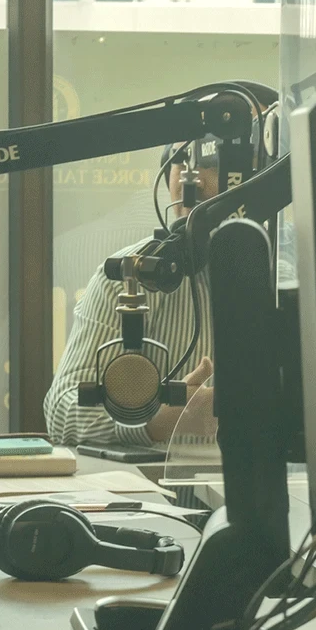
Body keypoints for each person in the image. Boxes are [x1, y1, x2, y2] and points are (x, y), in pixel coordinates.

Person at [44, 143, 218, 447]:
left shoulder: (290, 275)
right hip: (164, 495)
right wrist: (156, 423)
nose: (194, 180)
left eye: (214, 162)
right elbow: (62, 411)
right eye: (181, 161)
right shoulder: (127, 275)